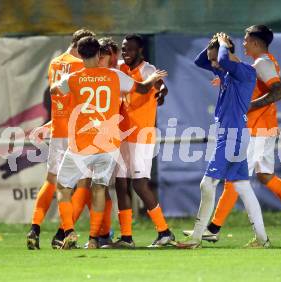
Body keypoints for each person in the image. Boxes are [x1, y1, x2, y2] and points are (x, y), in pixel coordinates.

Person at [183, 25, 281, 245]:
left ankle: (212, 228)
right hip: (259, 127)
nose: (243, 43)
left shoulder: (260, 63)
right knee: (260, 178)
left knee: (232, 181)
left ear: (255, 42)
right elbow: (208, 62)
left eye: (246, 39)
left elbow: (277, 92)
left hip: (255, 129)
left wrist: (245, 106)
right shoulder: (250, 66)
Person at [51, 36, 167, 249]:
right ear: (98, 54)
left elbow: (54, 90)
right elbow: (142, 88)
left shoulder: (74, 78)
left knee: (63, 187)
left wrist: (60, 85)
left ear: (79, 54)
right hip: (109, 144)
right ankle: (95, 239)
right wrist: (154, 80)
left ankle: (68, 231)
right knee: (100, 188)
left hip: (82, 143)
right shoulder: (115, 75)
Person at [177, 33, 270, 249]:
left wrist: (222, 45)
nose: (213, 65)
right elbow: (199, 61)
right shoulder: (227, 72)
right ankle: (262, 239)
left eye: (215, 60)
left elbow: (225, 60)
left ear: (226, 53)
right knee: (243, 187)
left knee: (207, 183)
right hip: (235, 135)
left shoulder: (245, 71)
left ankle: (196, 238)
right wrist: (214, 45)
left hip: (232, 137)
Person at [26, 28, 96, 250]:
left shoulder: (54, 63)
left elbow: (56, 96)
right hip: (77, 131)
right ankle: (62, 233)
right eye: (85, 50)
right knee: (83, 184)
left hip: (58, 129)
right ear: (78, 46)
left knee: (52, 181)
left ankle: (34, 229)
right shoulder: (80, 66)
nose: (88, 55)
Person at [112, 34, 173, 248]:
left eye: (129, 49)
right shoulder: (120, 67)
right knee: (120, 183)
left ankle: (164, 232)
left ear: (140, 51)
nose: (125, 53)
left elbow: (161, 86)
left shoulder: (148, 70)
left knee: (139, 183)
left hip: (142, 135)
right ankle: (126, 237)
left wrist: (162, 92)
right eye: (123, 48)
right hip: (122, 133)